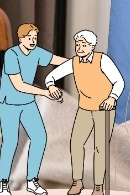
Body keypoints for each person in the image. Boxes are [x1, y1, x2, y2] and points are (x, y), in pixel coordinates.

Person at [45, 30, 124, 195]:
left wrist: (112, 98)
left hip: (103, 109)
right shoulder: (73, 63)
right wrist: (51, 85)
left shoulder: (102, 60)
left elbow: (118, 81)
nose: (80, 47)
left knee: (100, 147)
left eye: (83, 44)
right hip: (84, 109)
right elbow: (51, 76)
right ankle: (77, 182)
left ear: (92, 46)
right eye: (78, 44)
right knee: (76, 143)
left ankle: (98, 187)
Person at [0, 24, 66, 195]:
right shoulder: (12, 55)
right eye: (29, 38)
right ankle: (4, 184)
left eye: (35, 38)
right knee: (10, 143)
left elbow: (56, 60)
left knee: (40, 138)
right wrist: (45, 92)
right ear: (21, 39)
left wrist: (80, 62)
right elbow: (19, 85)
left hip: (28, 103)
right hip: (10, 104)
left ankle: (31, 181)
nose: (32, 41)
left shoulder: (36, 52)